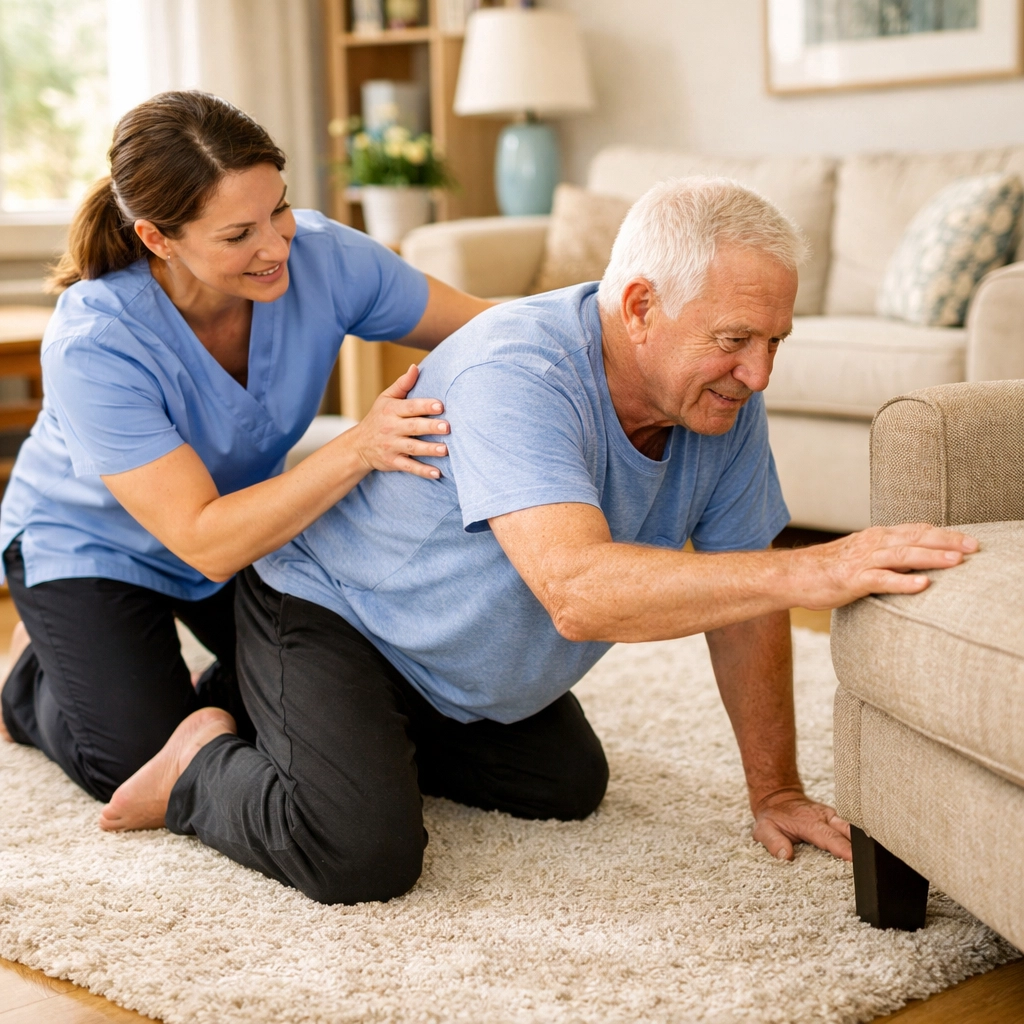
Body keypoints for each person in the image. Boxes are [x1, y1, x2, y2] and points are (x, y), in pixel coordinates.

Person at [99, 177, 978, 906]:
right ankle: (200, 765)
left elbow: (743, 596)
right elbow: (579, 593)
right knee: (360, 854)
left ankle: (284, 714)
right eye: (735, 341)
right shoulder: (518, 369)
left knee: (565, 786)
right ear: (640, 307)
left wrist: (775, 788)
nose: (759, 373)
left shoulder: (717, 398)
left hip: (446, 665)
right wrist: (813, 569)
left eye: (774, 341)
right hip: (333, 614)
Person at [0, 90, 492, 804]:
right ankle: (28, 680)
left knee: (345, 699)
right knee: (135, 759)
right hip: (94, 543)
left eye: (279, 209)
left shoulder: (325, 259)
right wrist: (358, 448)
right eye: (238, 235)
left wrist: (606, 320)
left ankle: (195, 692)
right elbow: (204, 540)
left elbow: (484, 330)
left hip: (251, 524)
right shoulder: (95, 341)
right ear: (158, 239)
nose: (276, 246)